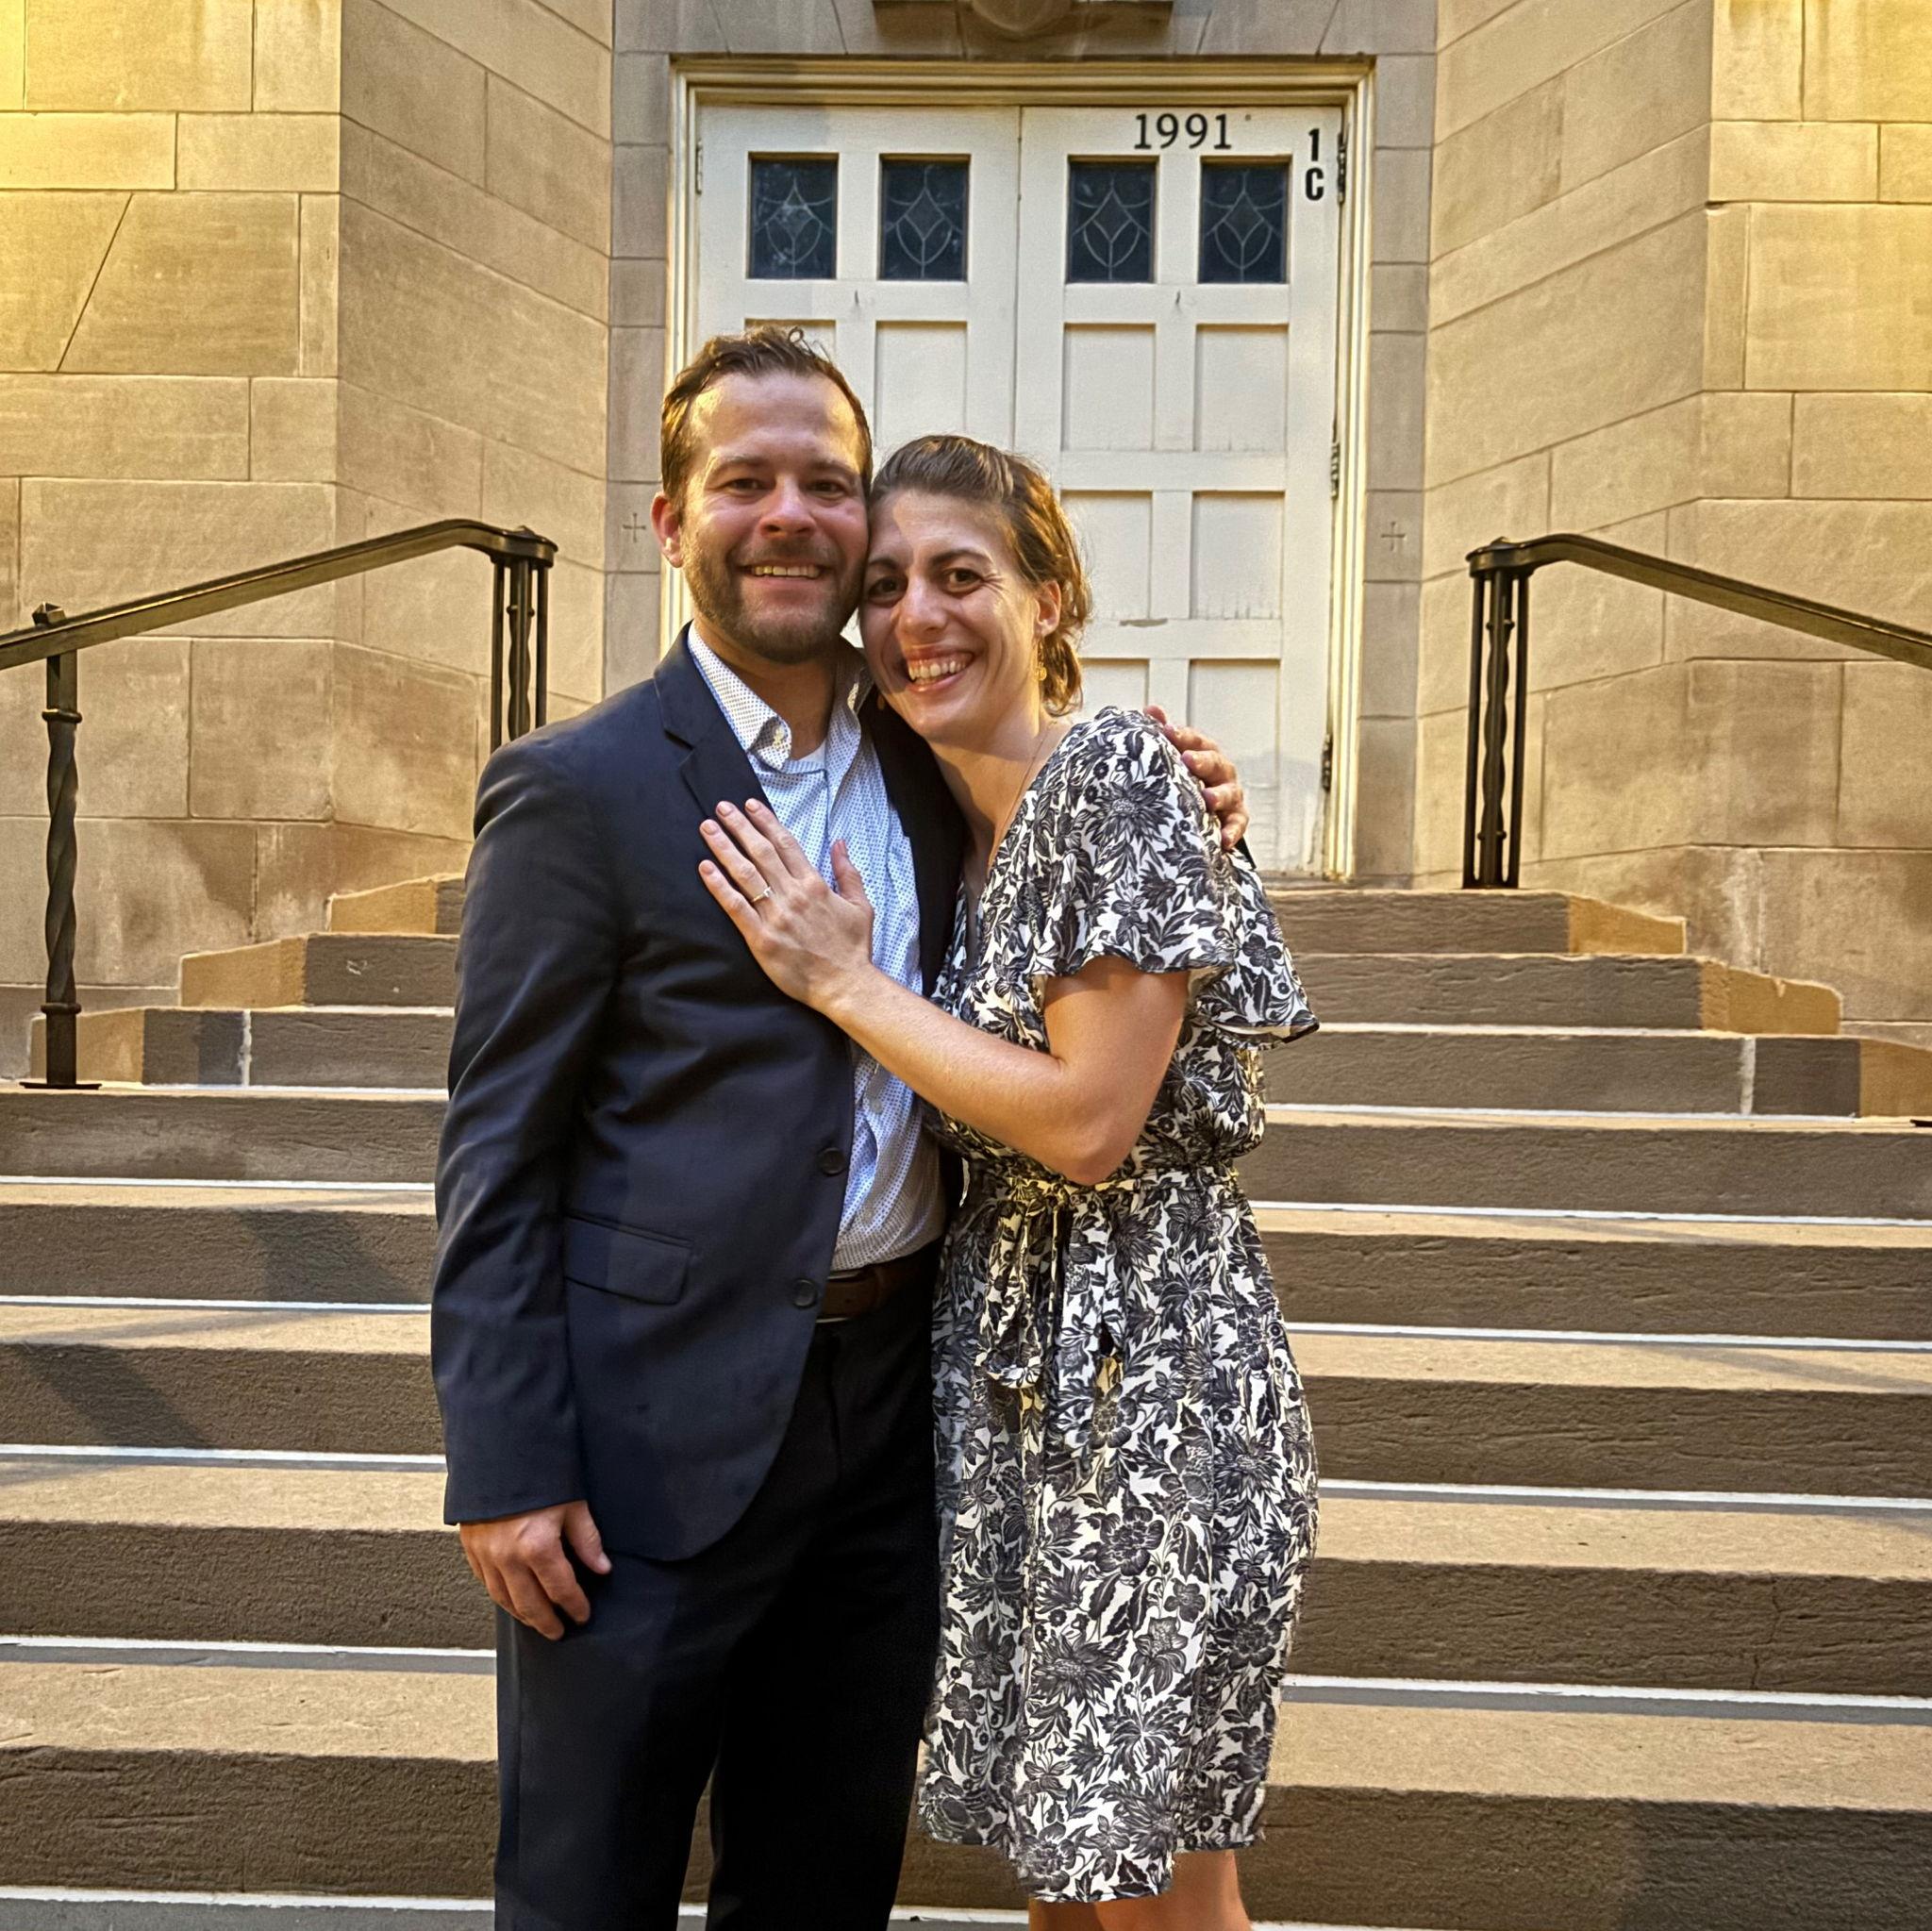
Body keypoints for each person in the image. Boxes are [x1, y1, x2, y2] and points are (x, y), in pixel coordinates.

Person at [429, 328, 1251, 1930]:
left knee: (819, 1888)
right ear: (672, 524)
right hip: (642, 1448)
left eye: (825, 484)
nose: (791, 515)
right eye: (746, 481)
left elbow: (1075, 856)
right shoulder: (580, 791)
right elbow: (497, 1155)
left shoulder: (937, 759)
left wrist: (1164, 771)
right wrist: (504, 1461)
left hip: (892, 1431)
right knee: (586, 1890)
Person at [696, 434, 1320, 1931]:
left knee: (1164, 1900)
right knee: (1074, 1875)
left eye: (964, 575)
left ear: (1052, 600)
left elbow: (1092, 1122)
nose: (921, 615)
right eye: (892, 583)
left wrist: (844, 983)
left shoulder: (1107, 774)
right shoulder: (948, 827)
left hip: (1148, 1371)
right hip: (1016, 1381)